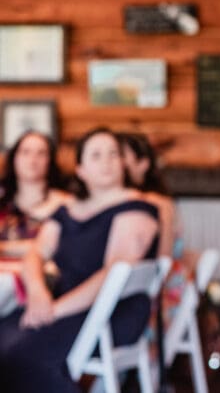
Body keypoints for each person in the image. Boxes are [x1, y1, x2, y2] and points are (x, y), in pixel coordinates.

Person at [0, 127, 160, 391]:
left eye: (113, 154)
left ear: (123, 163)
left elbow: (112, 273)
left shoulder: (137, 209)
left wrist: (54, 310)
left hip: (110, 312)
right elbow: (35, 254)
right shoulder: (69, 209)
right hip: (60, 301)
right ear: (81, 169)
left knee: (22, 354)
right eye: (96, 155)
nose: (107, 161)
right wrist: (39, 293)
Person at [0, 131, 71, 261]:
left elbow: (63, 246)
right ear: (14, 158)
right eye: (25, 152)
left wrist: (4, 248)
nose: (32, 159)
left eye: (41, 153)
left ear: (50, 160)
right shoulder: (3, 203)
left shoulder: (65, 204)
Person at [120, 132, 177, 258]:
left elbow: (165, 258)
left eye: (121, 155)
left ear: (143, 164)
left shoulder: (159, 204)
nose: (115, 162)